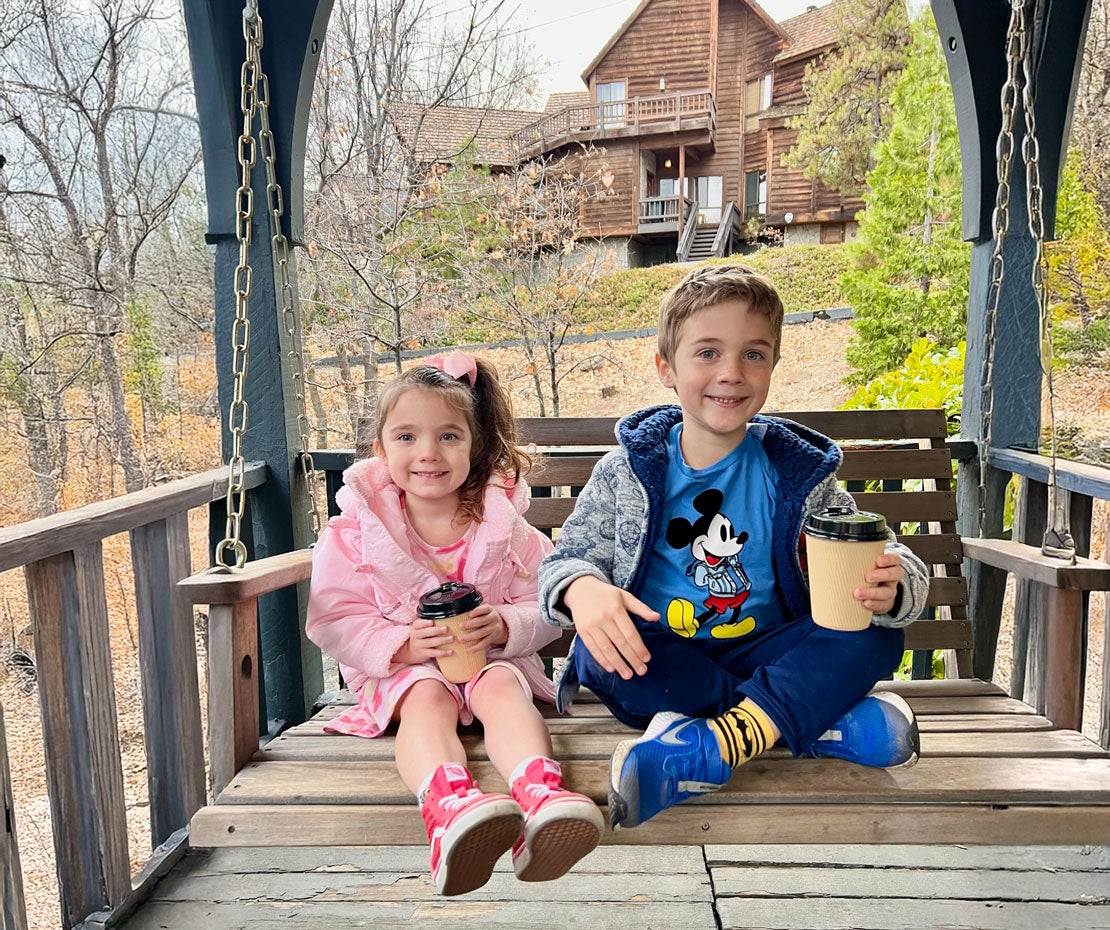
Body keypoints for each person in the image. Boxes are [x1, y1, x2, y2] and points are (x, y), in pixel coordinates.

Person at [538, 264, 931, 830]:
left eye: (753, 353)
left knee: (873, 630)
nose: (731, 373)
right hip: (660, 658)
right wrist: (581, 590)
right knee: (602, 647)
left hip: (766, 650)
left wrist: (895, 584)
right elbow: (568, 557)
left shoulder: (797, 473)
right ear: (665, 368)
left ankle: (710, 746)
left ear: (773, 364)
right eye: (707, 353)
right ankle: (811, 724)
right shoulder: (626, 471)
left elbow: (877, 551)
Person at [307, 351, 603, 895]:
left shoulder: (504, 527)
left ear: (474, 446)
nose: (428, 453)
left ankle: (541, 797)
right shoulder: (355, 535)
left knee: (502, 690)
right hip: (406, 674)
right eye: (406, 437)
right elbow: (335, 619)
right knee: (426, 697)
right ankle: (448, 810)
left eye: (448, 436)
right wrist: (400, 646)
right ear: (380, 450)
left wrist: (506, 626)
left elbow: (547, 599)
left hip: (491, 663)